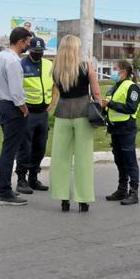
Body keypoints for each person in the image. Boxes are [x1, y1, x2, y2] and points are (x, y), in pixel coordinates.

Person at [49, 35, 101, 212]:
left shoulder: (55, 68)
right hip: (83, 114)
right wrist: (100, 109)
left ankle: (63, 198)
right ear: (75, 48)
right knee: (83, 158)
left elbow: (56, 92)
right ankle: (83, 199)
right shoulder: (86, 66)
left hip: (62, 114)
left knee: (60, 158)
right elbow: (96, 93)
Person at [0, 26, 32, 206]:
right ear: (21, 41)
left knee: (9, 148)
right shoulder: (14, 62)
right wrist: (24, 108)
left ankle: (6, 189)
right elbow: (16, 91)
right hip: (12, 107)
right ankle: (4, 193)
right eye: (27, 43)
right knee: (9, 151)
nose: (28, 46)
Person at [99, 60, 140, 205]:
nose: (113, 71)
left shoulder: (132, 87)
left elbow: (130, 108)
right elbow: (109, 108)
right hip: (114, 128)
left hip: (127, 129)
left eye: (115, 69)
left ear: (123, 70)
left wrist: (109, 104)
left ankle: (134, 193)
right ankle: (122, 189)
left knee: (129, 161)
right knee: (119, 160)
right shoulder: (114, 88)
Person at [15, 36, 53, 195]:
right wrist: (23, 108)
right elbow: (15, 89)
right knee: (25, 147)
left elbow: (55, 84)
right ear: (29, 50)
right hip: (27, 112)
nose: (38, 54)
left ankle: (33, 177)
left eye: (40, 51)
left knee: (40, 146)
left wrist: (53, 103)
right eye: (35, 51)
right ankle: (21, 179)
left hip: (43, 112)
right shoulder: (21, 65)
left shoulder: (49, 65)